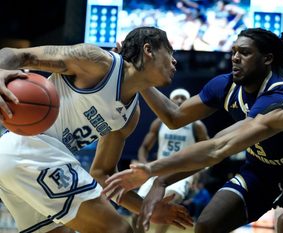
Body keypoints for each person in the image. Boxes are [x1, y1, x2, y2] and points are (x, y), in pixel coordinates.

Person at [105, 22, 283, 233]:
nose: (234, 57)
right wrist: (138, 75)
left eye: (244, 52)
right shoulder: (232, 88)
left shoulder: (279, 98)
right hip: (258, 173)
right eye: (233, 51)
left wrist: (158, 176)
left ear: (267, 59)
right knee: (206, 225)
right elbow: (182, 121)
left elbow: (219, 145)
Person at [0, 26, 192, 233]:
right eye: (170, 51)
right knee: (119, 230)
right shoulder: (97, 62)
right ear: (148, 50)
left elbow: (102, 174)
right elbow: (14, 53)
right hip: (30, 147)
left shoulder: (130, 116)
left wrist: (145, 207)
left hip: (15, 162)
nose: (175, 61)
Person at [133, 88, 209, 233]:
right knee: (138, 205)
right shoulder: (159, 123)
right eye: (177, 97)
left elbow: (207, 154)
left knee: (168, 204)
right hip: (158, 169)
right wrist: (145, 165)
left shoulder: (196, 125)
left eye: (183, 98)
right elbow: (144, 147)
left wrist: (198, 175)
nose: (180, 100)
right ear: (170, 100)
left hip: (182, 173)